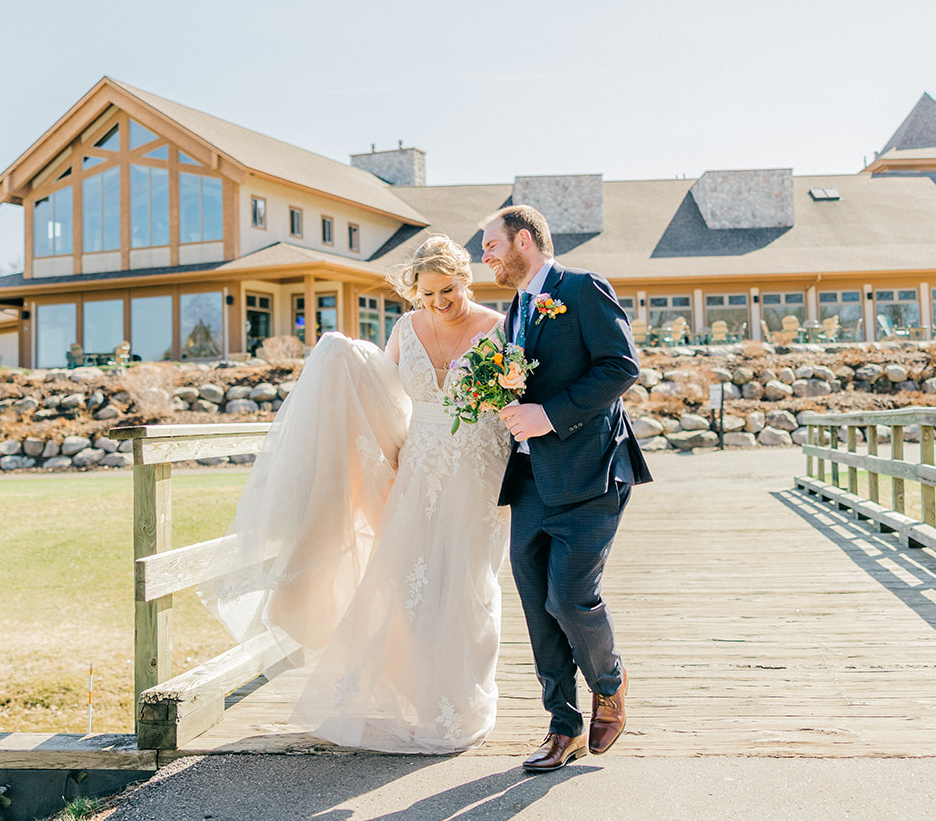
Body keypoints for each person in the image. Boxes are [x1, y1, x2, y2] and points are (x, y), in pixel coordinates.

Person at [198, 235, 510, 754]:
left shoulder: (499, 330)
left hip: (478, 472)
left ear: (465, 279)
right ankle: (429, 701)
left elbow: (514, 400)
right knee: (414, 585)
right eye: (427, 294)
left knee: (467, 584)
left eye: (448, 290)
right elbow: (384, 393)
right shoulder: (405, 329)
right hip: (416, 471)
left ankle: (467, 704)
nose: (438, 303)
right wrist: (342, 361)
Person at [481, 205, 653, 773]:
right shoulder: (515, 311)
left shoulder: (581, 290)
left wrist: (548, 415)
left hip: (590, 473)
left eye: (490, 246)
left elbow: (619, 366)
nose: (485, 257)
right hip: (529, 480)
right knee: (537, 606)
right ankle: (563, 727)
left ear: (523, 240)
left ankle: (610, 681)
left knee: (569, 597)